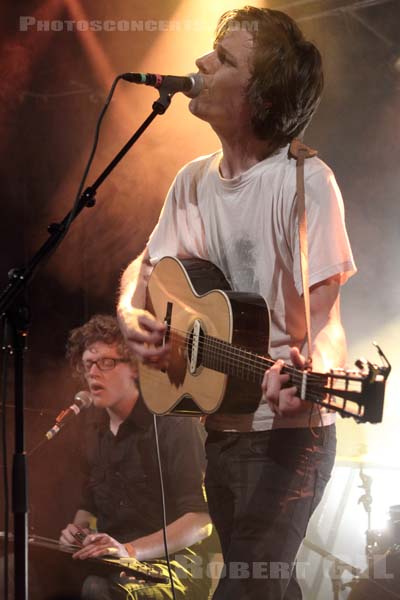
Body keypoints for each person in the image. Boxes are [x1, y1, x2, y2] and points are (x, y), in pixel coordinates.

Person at [117, 6, 356, 600]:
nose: (200, 63)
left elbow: (324, 323)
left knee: (247, 585)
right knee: (269, 585)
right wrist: (128, 310)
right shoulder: (192, 181)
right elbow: (145, 269)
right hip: (220, 427)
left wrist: (315, 373)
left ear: (262, 95)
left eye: (223, 59)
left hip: (289, 435)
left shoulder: (306, 182)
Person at [59, 314, 213, 600]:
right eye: (88, 364)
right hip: (112, 561)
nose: (93, 372)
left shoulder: (173, 422)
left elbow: (200, 521)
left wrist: (129, 550)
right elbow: (88, 506)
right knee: (17, 570)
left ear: (135, 366)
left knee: (98, 589)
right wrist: (77, 533)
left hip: (173, 567)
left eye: (106, 362)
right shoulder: (93, 429)